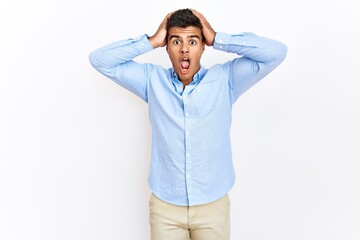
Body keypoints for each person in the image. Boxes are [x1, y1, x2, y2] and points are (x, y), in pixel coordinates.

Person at [89, 8, 287, 240]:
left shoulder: (226, 79)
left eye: (193, 41)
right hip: (166, 209)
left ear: (203, 46)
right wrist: (151, 41)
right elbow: (100, 60)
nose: (184, 48)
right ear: (167, 46)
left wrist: (217, 38)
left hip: (212, 207)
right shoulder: (152, 81)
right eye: (176, 41)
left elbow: (276, 53)